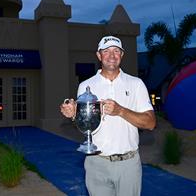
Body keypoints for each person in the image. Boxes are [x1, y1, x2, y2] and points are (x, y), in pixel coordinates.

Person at [60, 35, 156, 196]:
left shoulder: (136, 84)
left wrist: (121, 111)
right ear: (99, 55)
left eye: (116, 51)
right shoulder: (85, 86)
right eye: (106, 51)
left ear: (122, 55)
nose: (112, 55)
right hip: (96, 163)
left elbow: (151, 123)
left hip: (128, 164)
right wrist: (73, 114)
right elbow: (84, 126)